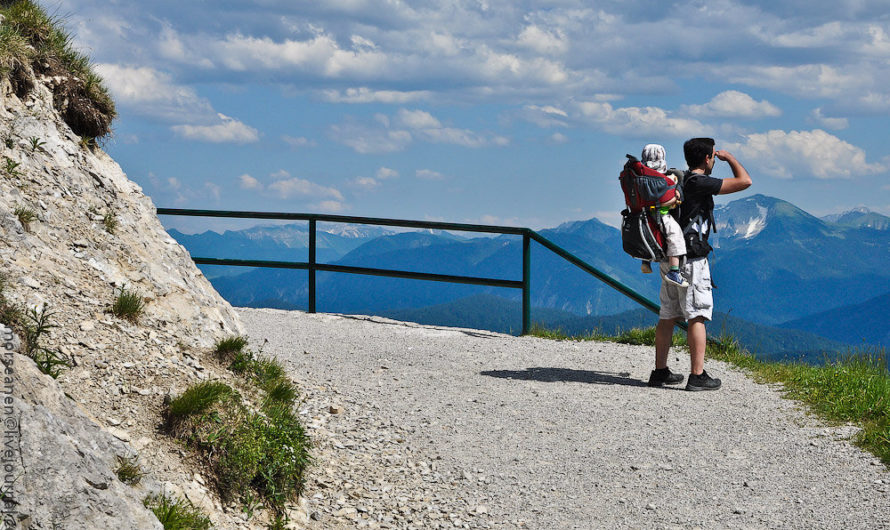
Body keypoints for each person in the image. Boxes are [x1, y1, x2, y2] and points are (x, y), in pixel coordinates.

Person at [647, 138, 751, 390]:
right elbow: (745, 181)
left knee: (668, 315)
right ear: (707, 158)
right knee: (697, 316)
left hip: (668, 258)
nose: (714, 160)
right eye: (713, 156)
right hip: (691, 260)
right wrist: (731, 159)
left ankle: (660, 371)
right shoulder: (698, 182)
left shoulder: (674, 178)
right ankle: (697, 375)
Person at [639, 144, 688, 288]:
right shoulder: (665, 178)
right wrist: (676, 196)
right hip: (661, 215)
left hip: (643, 217)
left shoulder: (640, 177)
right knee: (675, 236)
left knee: (647, 237)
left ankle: (645, 261)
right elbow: (671, 198)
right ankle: (674, 271)